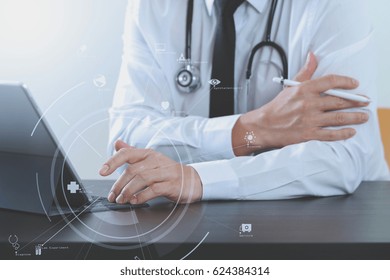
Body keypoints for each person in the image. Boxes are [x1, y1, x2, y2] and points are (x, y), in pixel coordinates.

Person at [99, 0, 389, 205]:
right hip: (192, 222)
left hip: (341, 219)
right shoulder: (153, 6)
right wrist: (249, 131)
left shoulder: (333, 5)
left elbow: (341, 159)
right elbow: (127, 143)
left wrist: (198, 178)